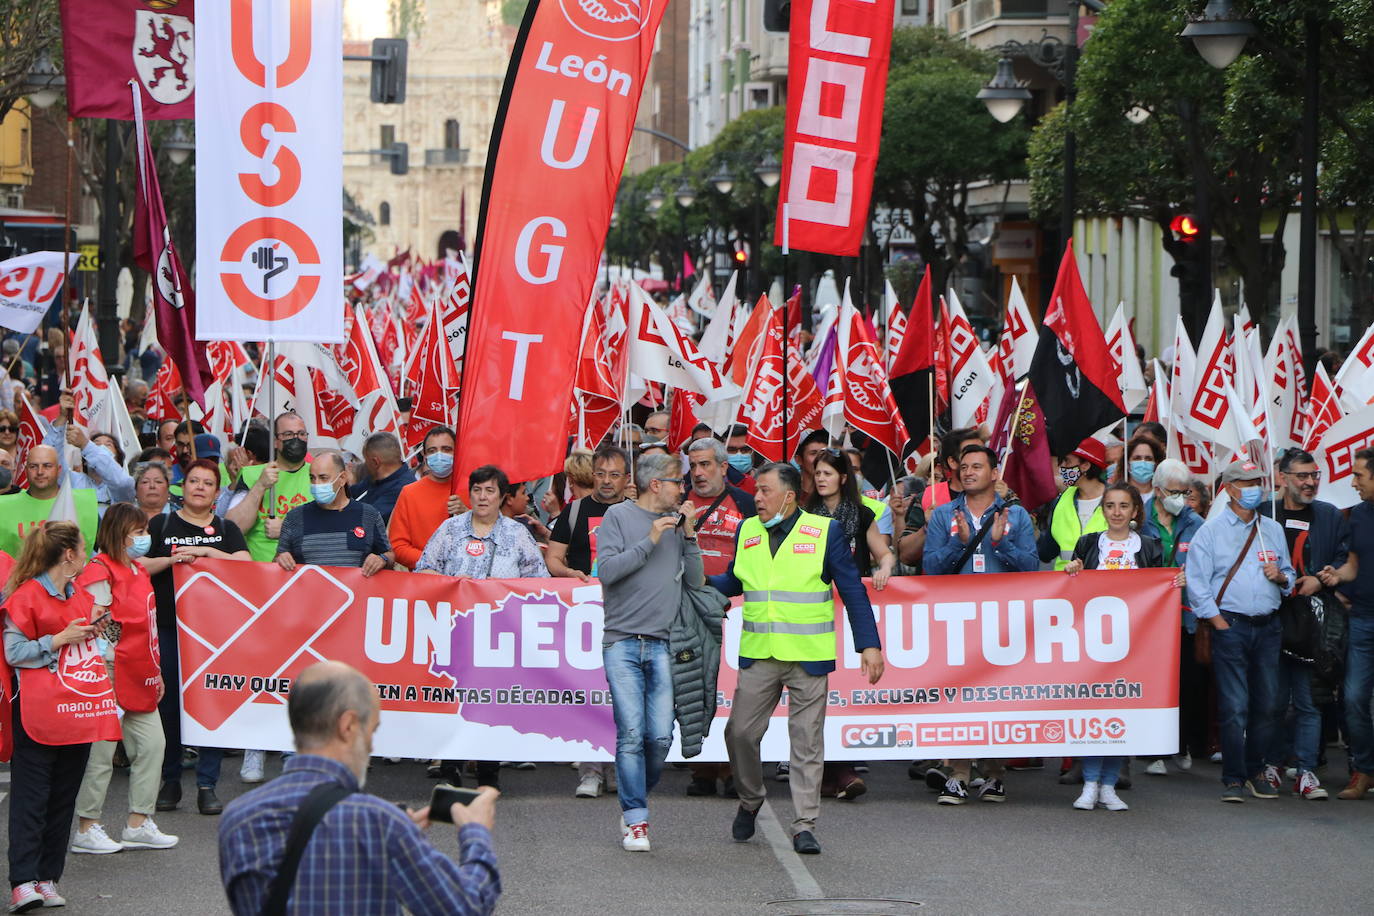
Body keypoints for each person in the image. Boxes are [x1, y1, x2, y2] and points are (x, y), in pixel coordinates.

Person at [218, 661, 501, 916]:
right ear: (349, 725)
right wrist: (475, 832)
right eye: (372, 730)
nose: (371, 745)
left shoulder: (238, 817)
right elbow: (466, 906)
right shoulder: (379, 823)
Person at [708, 462, 884, 856]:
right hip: (759, 654)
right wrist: (701, 580)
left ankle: (805, 823)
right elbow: (735, 581)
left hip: (808, 656)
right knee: (739, 734)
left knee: (805, 742)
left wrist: (869, 644)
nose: (757, 497)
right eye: (756, 490)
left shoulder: (825, 532)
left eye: (765, 491)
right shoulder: (748, 529)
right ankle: (751, 799)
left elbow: (852, 590)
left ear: (789, 496)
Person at [4, 521, 121, 913]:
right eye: (83, 547)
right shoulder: (26, 595)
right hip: (37, 711)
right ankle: (22, 881)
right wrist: (56, 640)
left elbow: (92, 642)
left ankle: (48, 878)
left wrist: (101, 629)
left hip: (77, 707)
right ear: (68, 554)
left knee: (62, 797)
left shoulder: (79, 595)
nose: (87, 552)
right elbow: (13, 652)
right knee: (31, 798)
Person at [595, 452, 704, 851]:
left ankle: (635, 791)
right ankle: (636, 818)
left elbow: (695, 579)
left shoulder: (678, 525)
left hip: (663, 643)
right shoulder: (618, 518)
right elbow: (606, 572)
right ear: (655, 484)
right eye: (678, 481)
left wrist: (688, 536)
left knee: (659, 737)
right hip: (622, 641)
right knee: (631, 734)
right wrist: (651, 539)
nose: (684, 488)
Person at [415, 464, 548, 788]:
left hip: (500, 634)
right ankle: (450, 772)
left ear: (502, 496)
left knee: (492, 704)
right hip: (455, 632)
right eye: (477, 490)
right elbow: (423, 569)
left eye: (490, 491)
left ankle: (489, 775)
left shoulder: (516, 535)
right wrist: (451, 583)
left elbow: (540, 581)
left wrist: (504, 589)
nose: (482, 497)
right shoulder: (450, 529)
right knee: (454, 703)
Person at [923, 444, 1038, 804]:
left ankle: (994, 773)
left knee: (998, 697)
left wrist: (1002, 544)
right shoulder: (943, 515)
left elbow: (1032, 568)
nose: (969, 472)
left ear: (993, 474)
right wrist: (957, 544)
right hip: (956, 620)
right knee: (956, 696)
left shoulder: (1017, 516)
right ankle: (958, 773)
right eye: (965, 467)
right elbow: (930, 569)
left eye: (977, 466)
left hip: (1002, 621)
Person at [70, 504, 179, 855]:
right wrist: (106, 669)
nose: (145, 538)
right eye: (139, 531)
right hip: (107, 669)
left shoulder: (136, 569)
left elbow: (146, 624)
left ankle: (138, 822)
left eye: (146, 531)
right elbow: (95, 625)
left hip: (139, 670)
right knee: (100, 753)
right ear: (119, 533)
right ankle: (87, 827)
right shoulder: (100, 570)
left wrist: (154, 669)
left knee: (152, 745)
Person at [1185, 459, 1295, 803]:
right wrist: (1216, 621)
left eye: (1256, 481)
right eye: (1245, 483)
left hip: (1268, 626)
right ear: (1229, 490)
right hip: (1230, 625)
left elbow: (1289, 574)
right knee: (1235, 705)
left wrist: (1282, 578)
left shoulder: (1272, 529)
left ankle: (1254, 770)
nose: (1253, 489)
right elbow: (1197, 582)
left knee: (1269, 703)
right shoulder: (1211, 531)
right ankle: (1233, 777)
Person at [146, 458, 251, 815]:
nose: (200, 487)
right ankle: (171, 779)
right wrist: (173, 560)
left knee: (211, 704)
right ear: (183, 486)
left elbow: (246, 565)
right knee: (170, 705)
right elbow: (137, 565)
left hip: (213, 634)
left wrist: (206, 552)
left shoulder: (226, 527)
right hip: (168, 628)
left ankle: (207, 783)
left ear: (216, 492)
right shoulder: (161, 524)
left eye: (207, 483)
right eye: (193, 481)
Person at [1064, 483, 1175, 811]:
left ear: (1134, 511)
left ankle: (1110, 785)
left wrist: (1174, 582)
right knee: (1094, 712)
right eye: (1110, 505)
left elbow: (1161, 588)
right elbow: (1072, 590)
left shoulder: (1150, 546)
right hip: (1094, 644)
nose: (1116, 512)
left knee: (1122, 716)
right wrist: (1073, 571)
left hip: (1135, 644)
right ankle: (1089, 783)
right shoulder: (1087, 544)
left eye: (1123, 506)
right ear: (1103, 509)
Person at [1255, 448, 1348, 800]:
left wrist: (1323, 579)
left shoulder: (1329, 516)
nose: (1310, 483)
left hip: (1312, 623)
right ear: (1282, 477)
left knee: (1309, 701)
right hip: (1271, 619)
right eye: (1302, 476)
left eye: (1315, 476)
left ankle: (1307, 771)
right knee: (1274, 700)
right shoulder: (1264, 514)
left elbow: (1342, 560)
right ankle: (1272, 764)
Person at [545, 445, 630, 799]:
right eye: (601, 474)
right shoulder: (576, 510)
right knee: (588, 693)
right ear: (591, 475)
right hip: (584, 613)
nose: (607, 481)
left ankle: (621, 769)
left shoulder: (637, 512)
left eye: (614, 475)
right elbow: (553, 558)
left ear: (627, 478)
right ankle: (590, 770)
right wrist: (570, 573)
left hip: (627, 613)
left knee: (623, 694)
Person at [678, 437, 756, 798]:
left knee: (728, 691)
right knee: (694, 686)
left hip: (735, 606)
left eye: (706, 464)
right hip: (689, 608)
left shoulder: (745, 504)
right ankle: (703, 768)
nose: (698, 473)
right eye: (693, 465)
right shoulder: (678, 502)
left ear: (724, 468)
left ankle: (731, 769)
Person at [1140, 458, 1206, 776]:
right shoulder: (1139, 518)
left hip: (1184, 617)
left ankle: (1181, 744)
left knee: (1186, 683)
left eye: (1184, 491)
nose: (1179, 498)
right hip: (1147, 619)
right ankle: (1153, 749)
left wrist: (1191, 577)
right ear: (1156, 490)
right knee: (1152, 682)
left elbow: (1209, 568)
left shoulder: (1196, 524)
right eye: (1173, 491)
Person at [1316, 448, 1374, 799]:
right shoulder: (1359, 517)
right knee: (1353, 698)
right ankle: (1364, 770)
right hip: (1364, 620)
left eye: (1359, 476)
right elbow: (1352, 566)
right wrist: (1334, 576)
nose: (1353, 483)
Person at [275, 450, 393, 577]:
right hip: (308, 594)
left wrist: (382, 559)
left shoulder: (368, 515)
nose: (316, 484)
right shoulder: (295, 517)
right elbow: (277, 561)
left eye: (323, 477)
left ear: (342, 478)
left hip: (355, 594)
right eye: (312, 478)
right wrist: (281, 559)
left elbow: (390, 556)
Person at [225, 412, 314, 563]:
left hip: (306, 571)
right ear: (275, 441)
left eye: (301, 433)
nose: (296, 439)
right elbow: (233, 528)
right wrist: (260, 485)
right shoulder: (250, 474)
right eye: (288, 434)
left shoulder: (320, 474)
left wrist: (288, 531)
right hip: (261, 573)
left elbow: (337, 526)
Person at [0, 445, 99, 558]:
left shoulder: (85, 503)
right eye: (33, 466)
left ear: (59, 470)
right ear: (26, 470)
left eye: (47, 466)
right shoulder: (3, 507)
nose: (40, 472)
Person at [388, 425, 465, 570]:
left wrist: (467, 513)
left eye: (446, 449)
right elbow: (397, 546)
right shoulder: (409, 493)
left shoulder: (473, 490)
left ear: (458, 451)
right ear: (424, 455)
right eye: (432, 451)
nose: (440, 455)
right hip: (425, 580)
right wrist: (431, 562)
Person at [1038, 439, 1108, 571]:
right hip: (1065, 584)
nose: (1062, 467)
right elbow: (1047, 552)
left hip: (1101, 584)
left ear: (1085, 466)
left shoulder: (1115, 499)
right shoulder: (1061, 500)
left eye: (1067, 461)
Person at [349, 432, 415, 524]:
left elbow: (369, 519)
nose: (365, 465)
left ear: (375, 462)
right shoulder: (376, 478)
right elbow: (350, 493)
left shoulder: (403, 488)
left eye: (366, 460)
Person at [921, 427, 983, 511]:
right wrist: (929, 523)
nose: (979, 459)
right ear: (952, 462)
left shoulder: (999, 495)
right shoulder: (928, 496)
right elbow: (910, 524)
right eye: (969, 453)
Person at [1125, 434, 1164, 502]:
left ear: (1155, 464)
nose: (1143, 463)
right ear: (1128, 464)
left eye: (1148, 458)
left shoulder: (1163, 495)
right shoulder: (1117, 494)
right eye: (1137, 458)